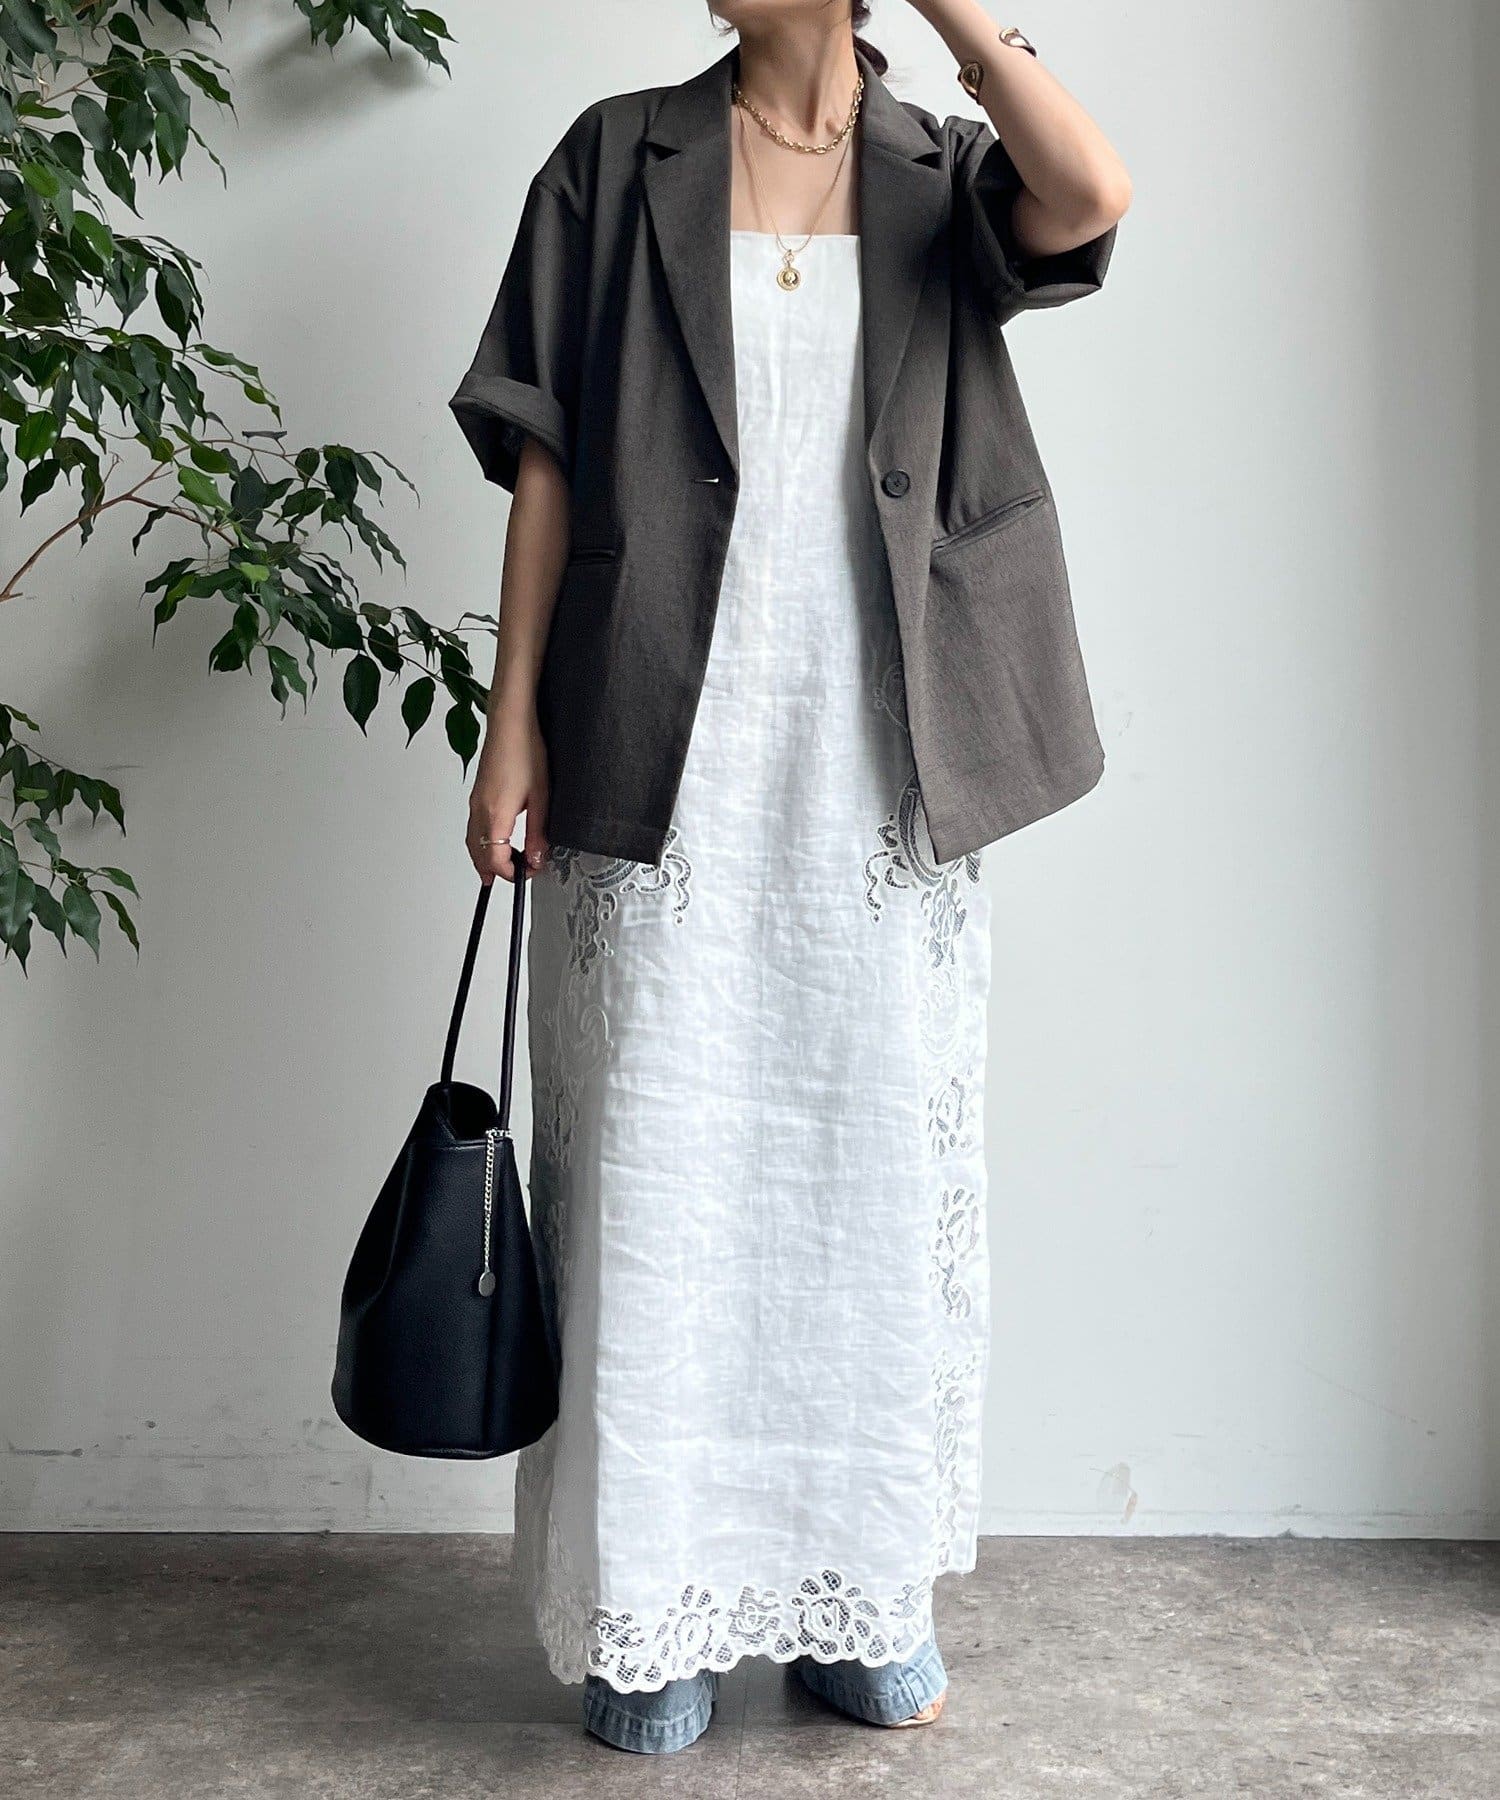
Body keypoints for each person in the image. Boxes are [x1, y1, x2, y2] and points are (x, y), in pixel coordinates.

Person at [448, 0, 1129, 1756]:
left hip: (878, 768)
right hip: (656, 748)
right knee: (657, 1175)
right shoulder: (617, 157)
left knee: (867, 1175)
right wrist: (510, 726)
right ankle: (651, 1608)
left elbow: (1092, 191)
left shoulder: (939, 172)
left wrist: (956, 11)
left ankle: (860, 1589)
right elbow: (545, 456)